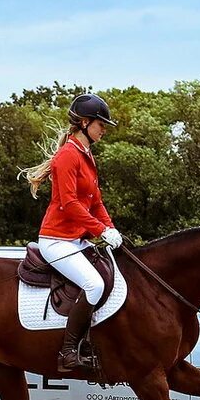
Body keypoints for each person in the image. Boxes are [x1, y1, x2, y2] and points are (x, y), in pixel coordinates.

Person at [19, 94, 122, 373]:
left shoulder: (86, 157)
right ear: (85, 122)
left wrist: (110, 228)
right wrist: (100, 229)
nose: (104, 130)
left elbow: (96, 202)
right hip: (57, 241)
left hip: (77, 240)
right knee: (95, 285)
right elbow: (69, 202)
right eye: (101, 124)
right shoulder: (67, 156)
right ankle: (67, 352)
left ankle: (90, 342)